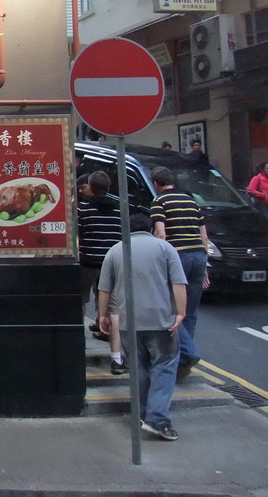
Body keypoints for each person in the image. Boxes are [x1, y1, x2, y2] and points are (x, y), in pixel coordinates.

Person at [98, 213, 187, 442]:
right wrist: (180, 312)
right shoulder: (165, 249)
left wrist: (103, 315)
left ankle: (143, 413)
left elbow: (104, 289)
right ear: (149, 228)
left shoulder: (115, 250)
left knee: (139, 369)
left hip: (128, 322)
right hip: (160, 320)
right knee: (164, 366)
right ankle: (157, 419)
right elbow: (178, 283)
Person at [150, 166, 209, 380]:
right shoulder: (192, 201)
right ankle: (184, 363)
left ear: (156, 184)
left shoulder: (159, 202)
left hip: (178, 258)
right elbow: (204, 235)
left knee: (169, 307)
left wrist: (158, 263)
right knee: (190, 312)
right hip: (198, 257)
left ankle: (188, 352)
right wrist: (205, 266)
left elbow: (161, 234)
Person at [77, 171, 124, 372]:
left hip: (88, 263)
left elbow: (77, 236)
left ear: (91, 187)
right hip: (111, 264)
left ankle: (78, 344)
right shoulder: (120, 209)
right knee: (112, 310)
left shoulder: (83, 209)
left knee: (80, 301)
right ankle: (117, 359)